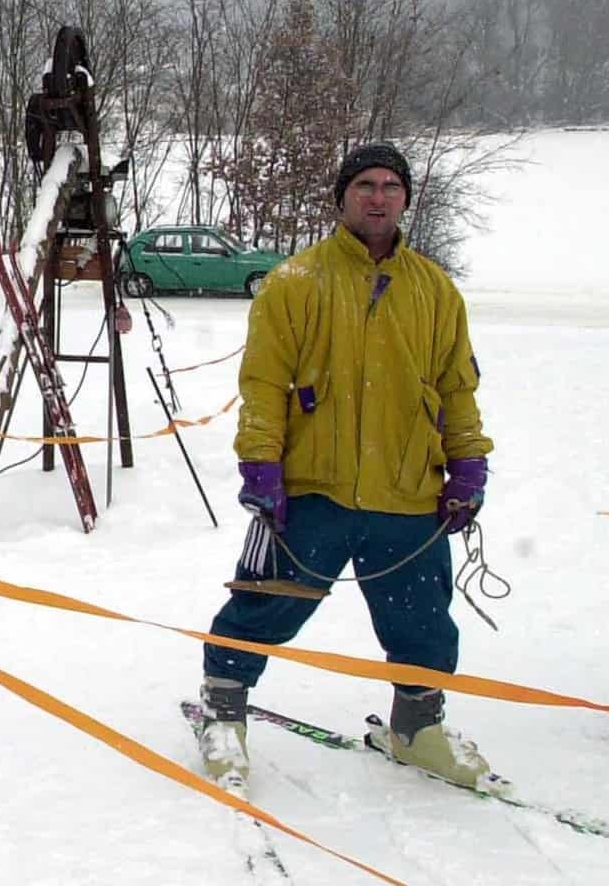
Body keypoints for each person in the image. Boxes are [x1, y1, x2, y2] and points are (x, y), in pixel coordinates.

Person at [195, 143, 495, 791]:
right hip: (311, 490)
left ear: (407, 199)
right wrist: (261, 467)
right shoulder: (294, 282)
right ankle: (222, 708)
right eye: (365, 185)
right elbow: (264, 385)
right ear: (342, 197)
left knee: (422, 622)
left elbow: (456, 390)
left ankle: (417, 727)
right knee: (264, 606)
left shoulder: (435, 290)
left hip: (409, 493)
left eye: (391, 186)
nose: (379, 196)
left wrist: (468, 465)